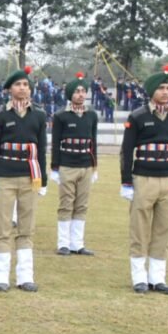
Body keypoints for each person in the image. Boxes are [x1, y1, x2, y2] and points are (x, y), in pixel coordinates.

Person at [120, 65, 168, 295]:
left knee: (163, 229)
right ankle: (139, 277)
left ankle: (157, 278)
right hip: (144, 178)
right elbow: (127, 151)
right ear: (151, 91)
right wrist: (126, 182)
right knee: (140, 229)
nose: (166, 92)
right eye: (161, 88)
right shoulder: (138, 116)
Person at [0, 66, 47, 293]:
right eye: (18, 85)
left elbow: (41, 151)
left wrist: (44, 182)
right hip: (5, 177)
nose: (23, 88)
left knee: (26, 228)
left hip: (30, 177)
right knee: (3, 228)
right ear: (10, 89)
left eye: (26, 85)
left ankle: (25, 277)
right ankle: (1, 276)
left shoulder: (39, 115)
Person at [51, 72, 98, 256]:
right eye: (77, 91)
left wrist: (94, 167)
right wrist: (55, 167)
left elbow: (93, 141)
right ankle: (63, 243)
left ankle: (77, 243)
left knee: (82, 205)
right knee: (66, 204)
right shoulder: (61, 116)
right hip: (67, 165)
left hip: (86, 165)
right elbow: (55, 143)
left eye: (83, 91)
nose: (80, 94)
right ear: (70, 94)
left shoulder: (91, 115)